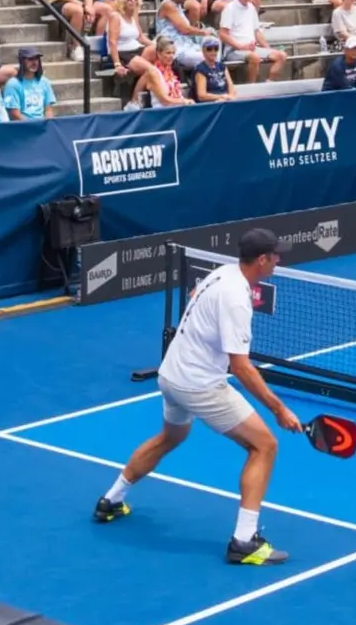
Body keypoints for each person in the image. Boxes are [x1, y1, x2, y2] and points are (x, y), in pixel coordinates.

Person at [93, 228, 304, 564]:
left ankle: (111, 500)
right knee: (264, 445)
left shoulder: (222, 273)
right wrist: (279, 409)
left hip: (171, 375)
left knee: (170, 436)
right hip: (198, 385)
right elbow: (241, 367)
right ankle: (243, 542)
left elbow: (193, 297)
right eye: (276, 255)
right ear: (262, 259)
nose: (279, 259)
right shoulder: (237, 299)